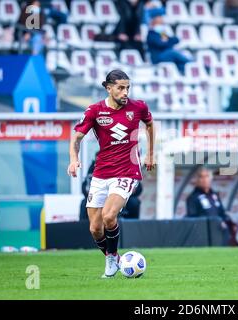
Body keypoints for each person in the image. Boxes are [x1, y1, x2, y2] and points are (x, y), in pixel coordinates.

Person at [67, 69, 155, 278]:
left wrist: (151, 153)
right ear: (108, 88)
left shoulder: (139, 107)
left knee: (108, 216)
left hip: (128, 170)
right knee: (95, 229)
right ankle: (113, 258)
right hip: (101, 172)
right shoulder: (94, 111)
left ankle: (111, 258)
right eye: (120, 88)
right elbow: (76, 138)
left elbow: (150, 125)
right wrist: (73, 159)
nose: (125, 92)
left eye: (127, 88)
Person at [186, 167, 231, 245]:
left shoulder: (214, 195)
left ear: (210, 179)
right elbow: (192, 217)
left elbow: (222, 212)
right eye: (201, 177)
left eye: (206, 176)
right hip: (204, 233)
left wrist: (224, 221)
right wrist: (211, 222)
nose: (204, 180)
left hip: (219, 231)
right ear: (197, 180)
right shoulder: (193, 197)